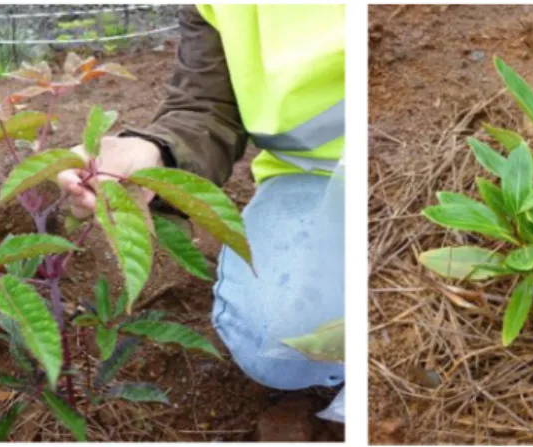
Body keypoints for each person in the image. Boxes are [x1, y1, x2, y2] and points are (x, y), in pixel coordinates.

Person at [57, 4, 346, 425]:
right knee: (277, 342)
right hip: (314, 176)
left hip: (402, 148)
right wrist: (151, 151)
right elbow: (207, 104)